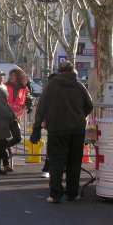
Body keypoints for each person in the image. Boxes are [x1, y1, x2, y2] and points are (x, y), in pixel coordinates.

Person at [30, 61, 93, 203]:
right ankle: (72, 193)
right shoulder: (79, 86)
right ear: (73, 71)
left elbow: (41, 108)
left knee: (56, 162)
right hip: (77, 129)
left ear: (59, 71)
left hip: (56, 129)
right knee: (74, 163)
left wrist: (37, 127)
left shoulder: (51, 86)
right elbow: (89, 105)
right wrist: (80, 116)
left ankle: (55, 194)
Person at [1, 68, 33, 172]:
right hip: (4, 116)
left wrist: (30, 105)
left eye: (14, 76)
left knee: (18, 138)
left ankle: (4, 147)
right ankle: (6, 164)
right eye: (11, 75)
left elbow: (28, 98)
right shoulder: (4, 86)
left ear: (19, 77)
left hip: (15, 117)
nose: (11, 78)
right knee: (3, 139)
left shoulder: (25, 88)